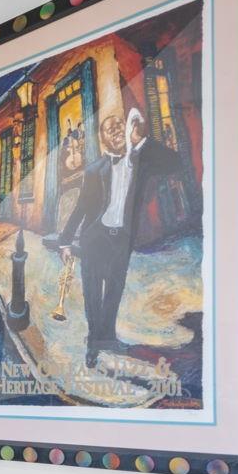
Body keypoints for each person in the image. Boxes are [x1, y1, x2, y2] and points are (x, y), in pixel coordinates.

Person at [57, 108, 183, 368]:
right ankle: (94, 342)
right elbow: (81, 207)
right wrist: (65, 241)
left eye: (118, 125)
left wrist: (140, 141)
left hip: (121, 240)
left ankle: (108, 338)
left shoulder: (140, 162)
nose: (115, 129)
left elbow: (175, 163)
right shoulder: (94, 170)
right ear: (102, 139)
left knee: (114, 289)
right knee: (93, 291)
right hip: (95, 237)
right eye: (108, 128)